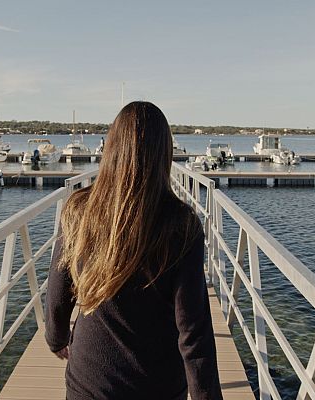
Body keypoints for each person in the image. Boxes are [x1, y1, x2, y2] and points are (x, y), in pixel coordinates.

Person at [46, 101, 222, 400]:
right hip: (158, 385)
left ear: (112, 148)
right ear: (164, 154)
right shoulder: (181, 224)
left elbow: (59, 291)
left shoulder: (78, 210)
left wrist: (56, 338)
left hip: (91, 381)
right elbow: (194, 333)